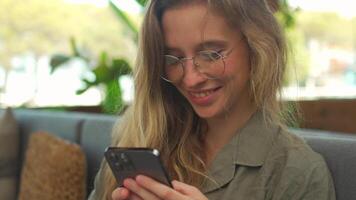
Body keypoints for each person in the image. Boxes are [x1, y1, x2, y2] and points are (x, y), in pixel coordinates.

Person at [89, 0, 336, 199]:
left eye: (211, 54)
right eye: (173, 58)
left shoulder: (296, 172)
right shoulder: (137, 141)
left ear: (258, 46)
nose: (191, 79)